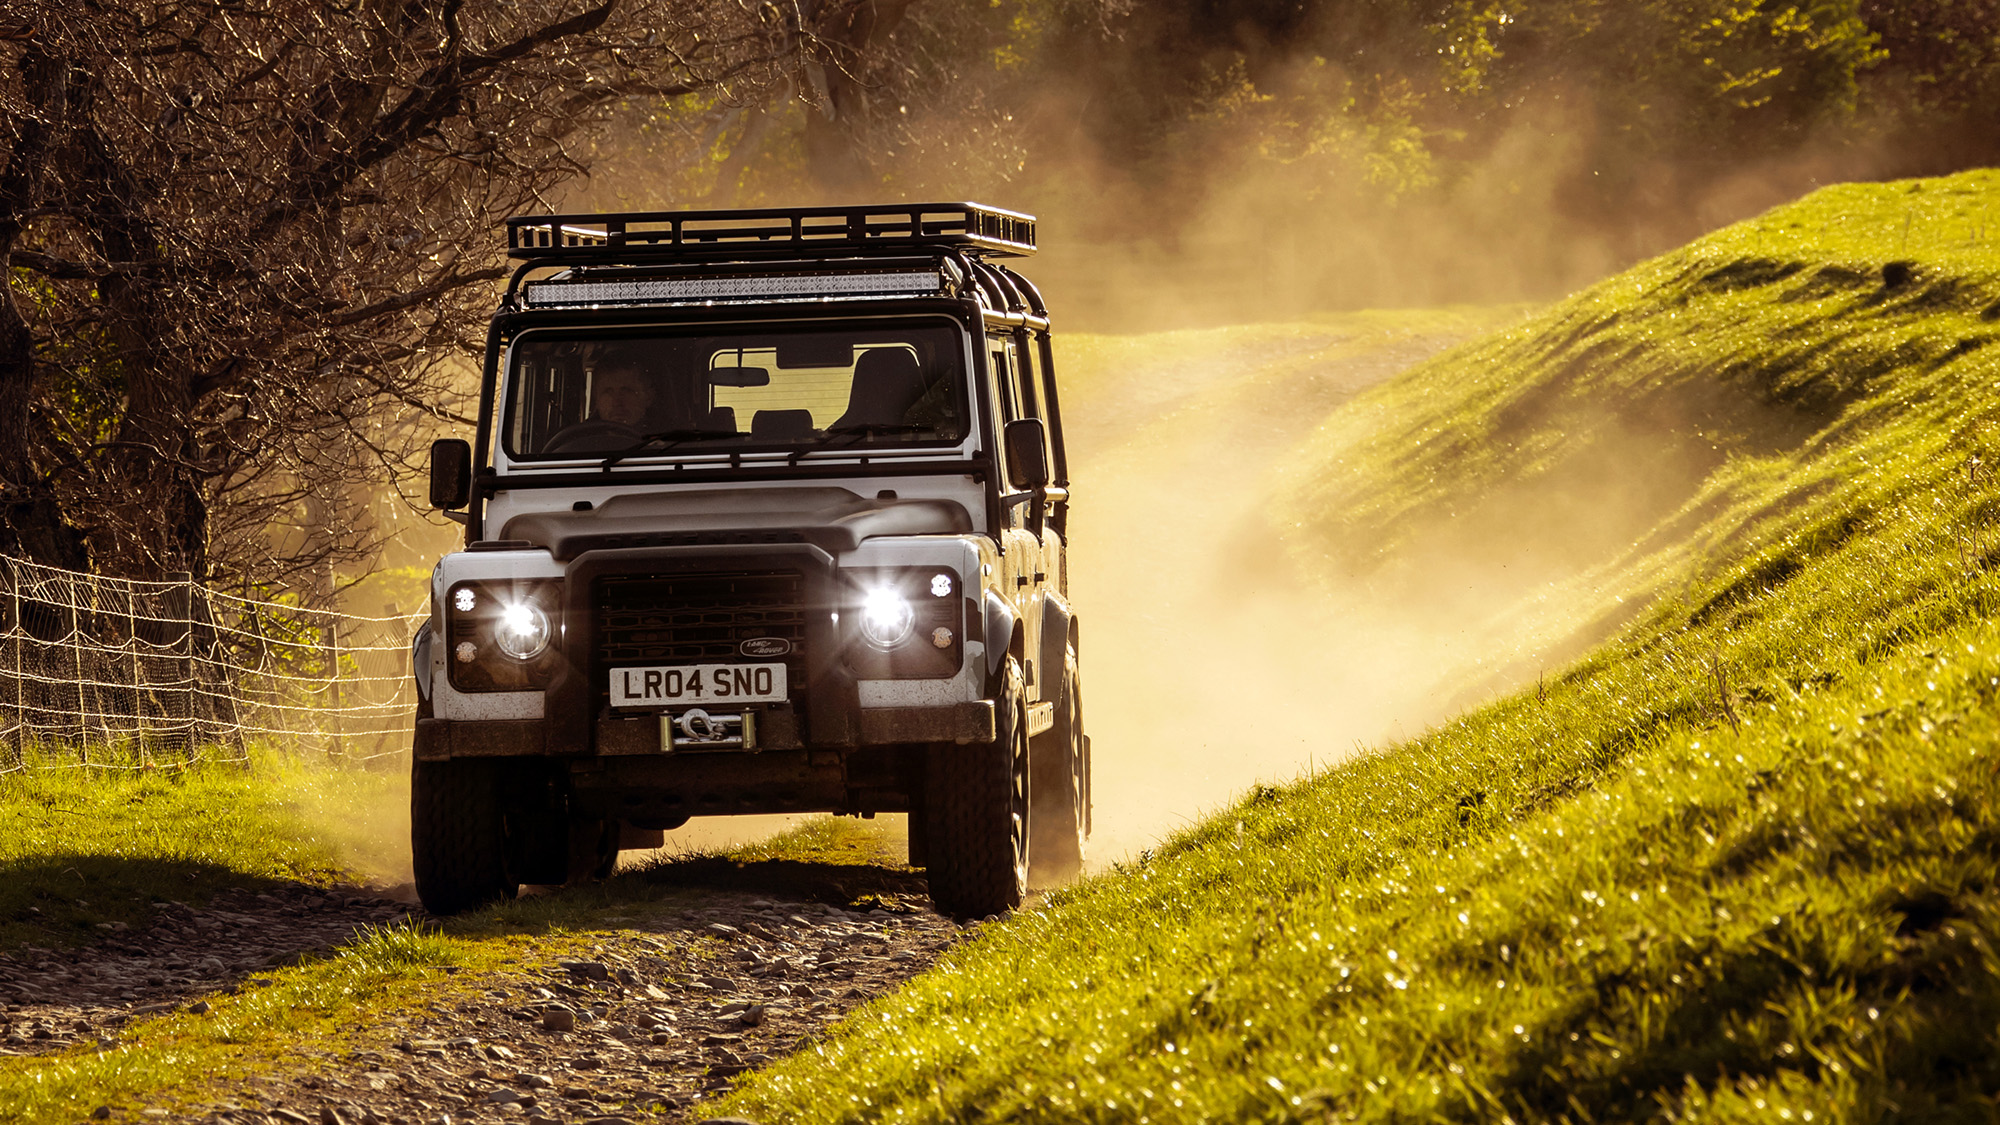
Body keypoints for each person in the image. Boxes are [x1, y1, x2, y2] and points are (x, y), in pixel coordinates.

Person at [591, 361, 654, 428]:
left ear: (648, 397)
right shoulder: (582, 436)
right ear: (596, 398)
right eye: (607, 392)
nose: (616, 402)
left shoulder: (662, 436)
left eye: (627, 391)